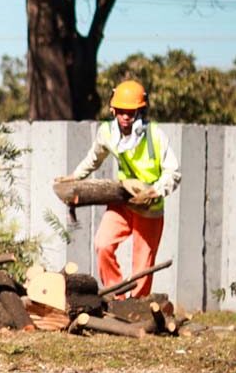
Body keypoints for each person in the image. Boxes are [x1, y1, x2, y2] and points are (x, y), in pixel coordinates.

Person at [57, 79, 180, 297]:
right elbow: (94, 158)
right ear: (113, 109)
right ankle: (117, 297)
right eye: (121, 111)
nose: (125, 117)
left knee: (142, 267)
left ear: (140, 110)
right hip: (122, 202)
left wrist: (155, 191)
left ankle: (136, 307)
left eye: (131, 112)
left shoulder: (154, 135)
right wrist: (74, 177)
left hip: (149, 208)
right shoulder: (107, 132)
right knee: (103, 244)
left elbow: (173, 172)